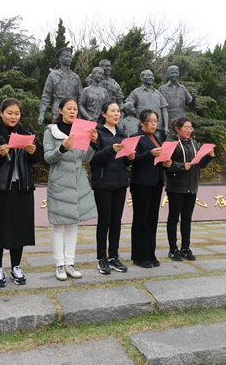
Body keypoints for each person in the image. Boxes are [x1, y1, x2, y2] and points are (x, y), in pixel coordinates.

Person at [0, 98, 41, 287]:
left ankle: (16, 267)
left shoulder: (26, 134)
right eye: (10, 113)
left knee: (18, 229)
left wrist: (33, 153)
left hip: (21, 189)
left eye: (17, 113)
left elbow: (36, 163)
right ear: (1, 113)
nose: (14, 116)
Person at [43, 97, 99, 280]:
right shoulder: (51, 131)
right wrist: (62, 148)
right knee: (59, 226)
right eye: (69, 108)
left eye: (75, 109)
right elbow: (48, 158)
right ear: (60, 110)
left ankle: (70, 263)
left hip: (78, 183)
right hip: (59, 183)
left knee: (73, 226)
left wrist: (93, 144)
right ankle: (59, 265)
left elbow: (85, 159)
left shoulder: (81, 130)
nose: (73, 111)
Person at [91, 101, 135, 275]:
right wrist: (111, 149)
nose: (116, 114)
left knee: (116, 221)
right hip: (103, 183)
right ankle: (102, 258)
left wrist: (129, 158)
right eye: (113, 111)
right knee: (104, 221)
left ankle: (114, 256)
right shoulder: (96, 132)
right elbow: (93, 159)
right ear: (104, 113)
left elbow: (123, 162)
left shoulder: (122, 134)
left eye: (118, 111)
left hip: (120, 183)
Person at [164, 116, 215, 262]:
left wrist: (208, 157)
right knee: (173, 218)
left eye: (190, 128)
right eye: (186, 127)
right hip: (176, 187)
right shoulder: (171, 143)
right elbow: (165, 164)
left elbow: (200, 164)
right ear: (177, 129)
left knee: (187, 219)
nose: (189, 130)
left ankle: (185, 248)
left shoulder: (194, 143)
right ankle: (173, 249)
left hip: (191, 186)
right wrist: (181, 166)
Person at [129, 109, 171, 268]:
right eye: (150, 121)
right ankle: (140, 256)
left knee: (152, 219)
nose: (153, 124)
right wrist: (151, 154)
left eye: (155, 121)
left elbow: (158, 159)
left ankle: (150, 253)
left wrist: (166, 163)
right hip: (141, 183)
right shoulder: (135, 138)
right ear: (141, 122)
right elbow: (133, 160)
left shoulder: (157, 138)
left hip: (156, 182)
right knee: (141, 220)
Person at [38, 47, 82, 125]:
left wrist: (81, 115)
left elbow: (80, 97)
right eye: (66, 56)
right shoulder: (53, 75)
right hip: (57, 109)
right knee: (56, 130)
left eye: (70, 57)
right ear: (60, 59)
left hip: (72, 110)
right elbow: (46, 95)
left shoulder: (76, 77)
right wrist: (42, 114)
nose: (69, 58)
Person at [125, 69, 169, 141]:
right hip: (142, 126)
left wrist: (166, 126)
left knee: (156, 145)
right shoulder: (136, 92)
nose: (151, 77)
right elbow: (128, 105)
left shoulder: (158, 93)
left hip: (157, 127)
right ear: (142, 78)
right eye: (148, 75)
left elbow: (164, 110)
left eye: (152, 76)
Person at [158, 65, 198, 134]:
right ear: (168, 74)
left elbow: (191, 106)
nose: (174, 75)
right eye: (172, 73)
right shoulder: (162, 89)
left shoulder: (183, 89)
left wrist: (194, 98)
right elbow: (158, 108)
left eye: (176, 73)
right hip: (168, 125)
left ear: (178, 73)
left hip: (182, 124)